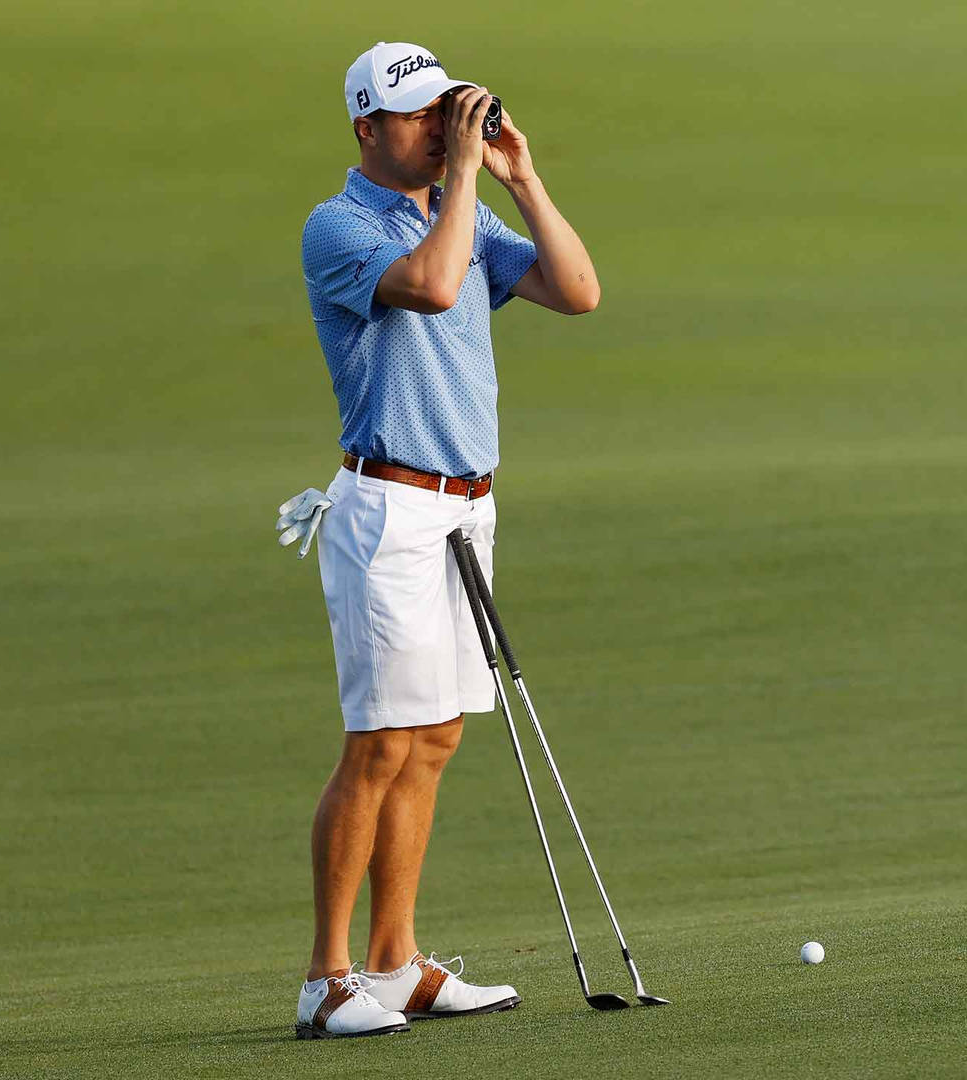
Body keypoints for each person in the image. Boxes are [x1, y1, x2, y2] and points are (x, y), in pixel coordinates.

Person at [288, 39, 600, 1040]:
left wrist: (521, 173)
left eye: (445, 113)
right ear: (367, 128)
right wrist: (463, 179)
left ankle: (395, 963)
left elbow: (577, 289)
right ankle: (327, 979)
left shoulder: (460, 208)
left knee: (435, 740)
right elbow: (425, 285)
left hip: (467, 507)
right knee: (378, 744)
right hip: (388, 509)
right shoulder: (337, 228)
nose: (437, 130)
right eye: (421, 117)